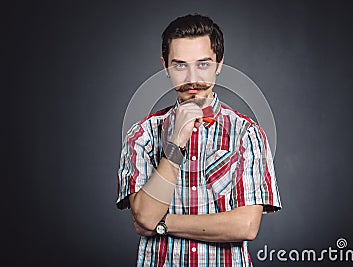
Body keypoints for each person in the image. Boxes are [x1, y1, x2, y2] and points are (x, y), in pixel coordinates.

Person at [116, 13, 282, 266]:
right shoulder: (142, 135)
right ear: (165, 67)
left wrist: (163, 223)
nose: (192, 78)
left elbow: (246, 225)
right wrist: (175, 145)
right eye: (180, 65)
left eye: (203, 64)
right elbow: (145, 215)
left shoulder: (247, 133)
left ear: (219, 64)